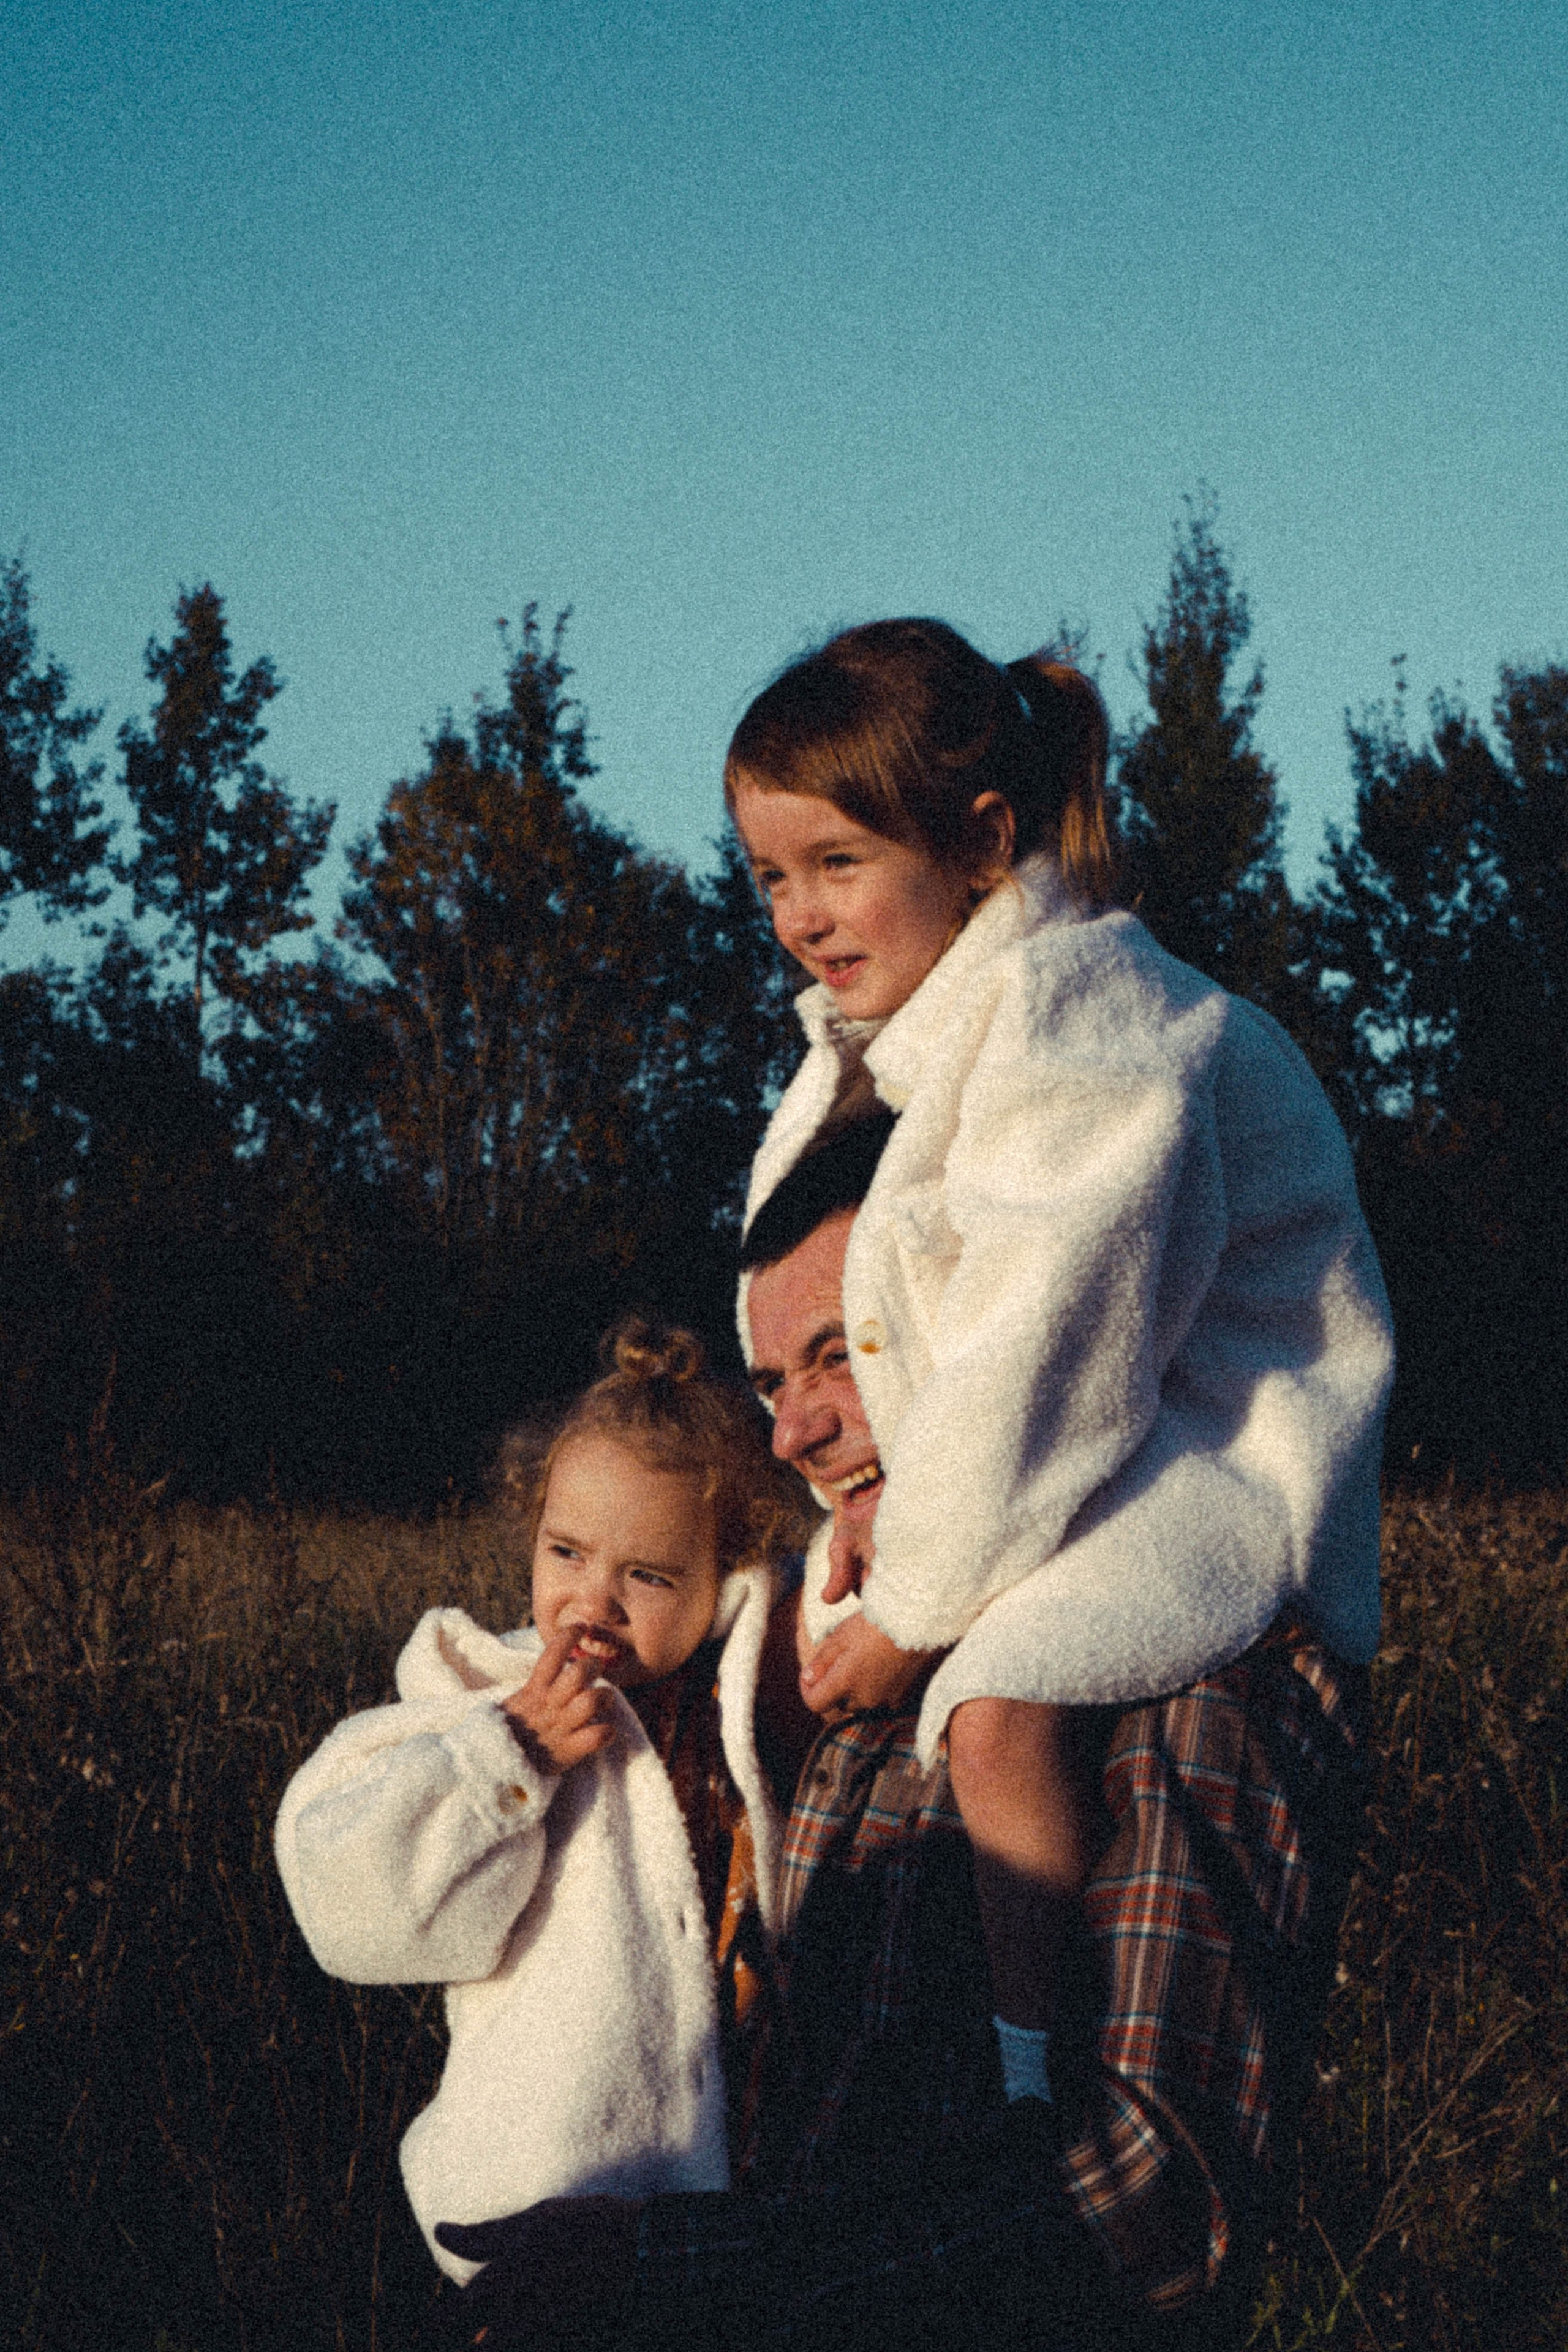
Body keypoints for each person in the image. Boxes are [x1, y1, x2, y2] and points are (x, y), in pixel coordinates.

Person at [434, 1137, 1370, 2351]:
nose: (791, 1433)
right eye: (771, 1379)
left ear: (1003, 1333)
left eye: (844, 1350)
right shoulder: (855, 1639)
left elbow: (1151, 2200)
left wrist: (654, 2266)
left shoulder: (1184, 1651)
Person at [726, 617, 1393, 2109]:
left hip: (1230, 1448)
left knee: (995, 1703)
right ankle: (800, 2036)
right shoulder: (888, 1033)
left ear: (978, 840)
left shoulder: (1083, 1016)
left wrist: (914, 1607)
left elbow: (1049, 1342)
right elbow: (855, 1292)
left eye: (837, 863)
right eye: (770, 875)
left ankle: (1037, 2084)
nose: (798, 916)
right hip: (1124, 1423)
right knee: (794, 1653)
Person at [274, 1321, 812, 2286]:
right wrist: (507, 1762)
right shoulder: (477, 1703)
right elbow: (345, 1906)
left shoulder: (752, 1695)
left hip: (734, 2212)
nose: (591, 1601)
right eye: (566, 1552)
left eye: (647, 1575)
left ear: (724, 1577)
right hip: (538, 2208)